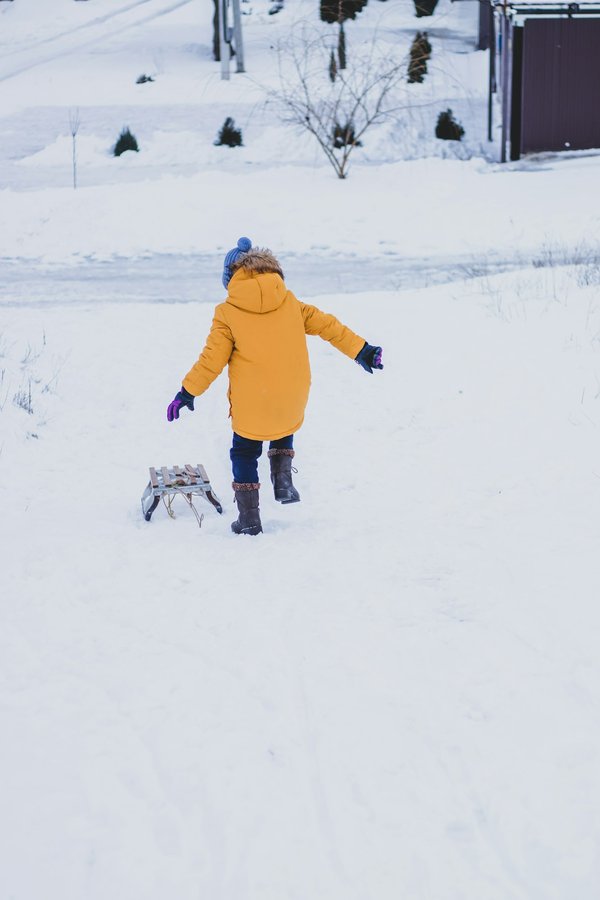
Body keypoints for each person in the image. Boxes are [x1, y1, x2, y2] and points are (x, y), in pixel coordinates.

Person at [167, 238, 383, 535]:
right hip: (291, 396)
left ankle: (249, 520)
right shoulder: (290, 302)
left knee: (243, 452)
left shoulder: (227, 313)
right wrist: (363, 351)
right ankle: (283, 485)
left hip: (253, 403)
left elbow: (210, 360)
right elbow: (329, 326)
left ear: (230, 278)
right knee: (283, 425)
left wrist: (187, 392)